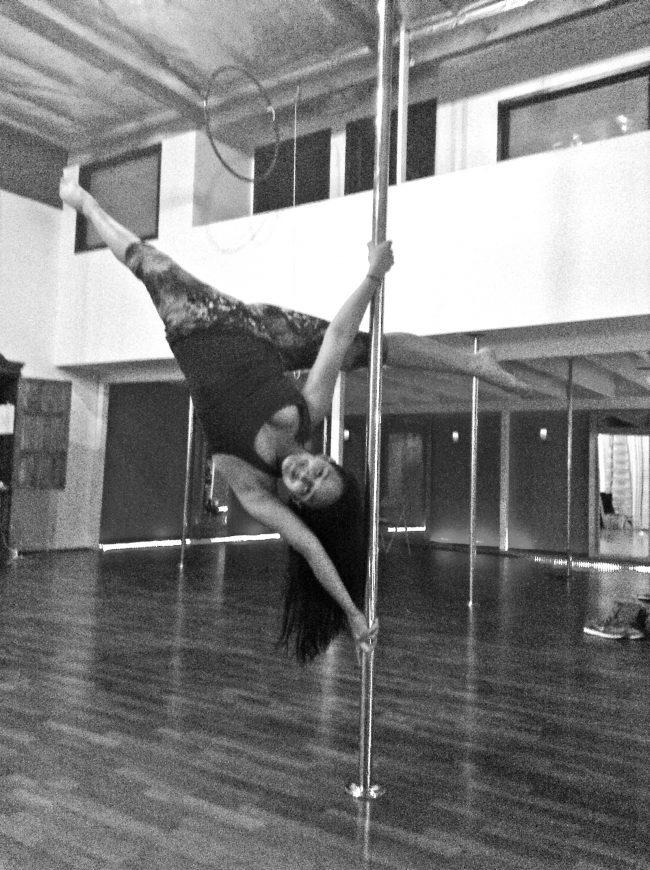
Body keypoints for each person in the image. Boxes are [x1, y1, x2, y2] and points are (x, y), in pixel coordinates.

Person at [59, 171, 532, 663]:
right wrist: (373, 276)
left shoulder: (254, 491)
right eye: (319, 471)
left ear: (296, 502)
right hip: (265, 330)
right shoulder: (309, 415)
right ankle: (475, 364)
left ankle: (88, 205)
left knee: (146, 262)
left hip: (198, 322)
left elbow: (312, 550)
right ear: (324, 457)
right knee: (368, 347)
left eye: (305, 488)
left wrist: (352, 615)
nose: (304, 475)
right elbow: (338, 338)